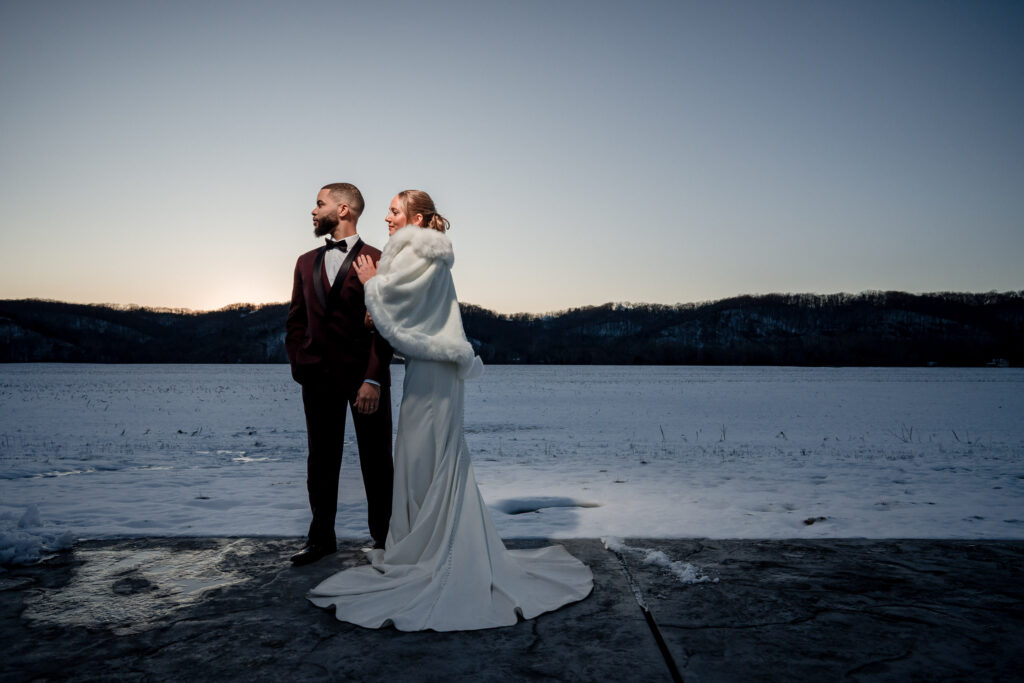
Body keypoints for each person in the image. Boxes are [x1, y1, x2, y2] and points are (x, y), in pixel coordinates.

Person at [307, 190, 593, 631]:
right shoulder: (419, 253)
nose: (387, 217)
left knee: (427, 455)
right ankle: (422, 543)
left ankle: (435, 551)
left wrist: (370, 285)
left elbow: (395, 310)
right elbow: (400, 314)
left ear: (417, 219)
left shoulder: (420, 254)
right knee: (423, 457)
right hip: (427, 368)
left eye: (395, 211)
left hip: (433, 371)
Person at [285, 183, 395, 566]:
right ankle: (321, 539)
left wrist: (374, 379)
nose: (313, 211)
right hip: (316, 377)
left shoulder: (381, 259)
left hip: (365, 380)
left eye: (320, 203)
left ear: (344, 209)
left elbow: (386, 326)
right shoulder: (303, 262)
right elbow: (296, 320)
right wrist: (299, 363)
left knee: (377, 460)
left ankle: (384, 539)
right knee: (321, 460)